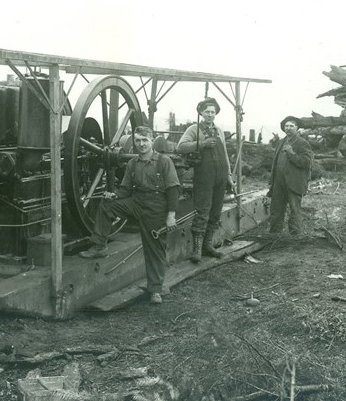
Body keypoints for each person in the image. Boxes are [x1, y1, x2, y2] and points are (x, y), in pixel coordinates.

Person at [80, 126, 179, 304]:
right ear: (134, 141)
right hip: (136, 202)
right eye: (138, 140)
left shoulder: (164, 162)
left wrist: (171, 215)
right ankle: (99, 245)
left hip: (156, 207)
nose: (141, 144)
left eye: (145, 140)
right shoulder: (133, 164)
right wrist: (115, 195)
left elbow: (173, 189)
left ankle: (155, 290)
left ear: (152, 140)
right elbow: (125, 189)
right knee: (107, 205)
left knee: (154, 249)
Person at [176, 98, 235, 263]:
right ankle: (196, 250)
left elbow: (223, 153)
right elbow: (180, 147)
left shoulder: (219, 130)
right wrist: (202, 144)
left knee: (215, 212)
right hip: (204, 177)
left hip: (221, 176)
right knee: (202, 212)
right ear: (201, 113)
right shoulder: (194, 129)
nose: (210, 115)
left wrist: (229, 176)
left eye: (213, 112)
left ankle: (207, 246)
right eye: (207, 111)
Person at [268, 116, 314, 235]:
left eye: (291, 126)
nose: (288, 128)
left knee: (295, 210)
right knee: (276, 209)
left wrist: (291, 153)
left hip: (294, 183)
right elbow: (275, 162)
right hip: (279, 183)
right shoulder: (281, 142)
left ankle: (295, 237)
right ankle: (274, 236)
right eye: (286, 126)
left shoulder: (302, 143)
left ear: (297, 128)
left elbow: (306, 162)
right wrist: (272, 182)